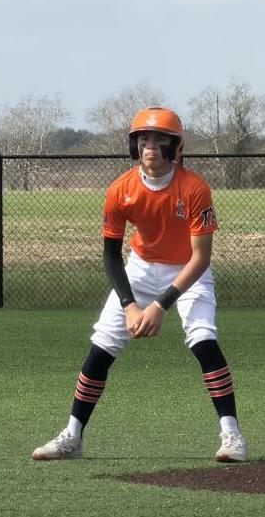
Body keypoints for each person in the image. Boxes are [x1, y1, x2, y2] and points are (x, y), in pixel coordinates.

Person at [32, 106, 247, 463]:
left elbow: (200, 258)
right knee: (102, 345)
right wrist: (130, 305)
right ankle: (72, 435)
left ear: (176, 146)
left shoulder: (194, 187)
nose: (150, 146)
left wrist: (160, 305)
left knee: (204, 340)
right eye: (143, 139)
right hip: (141, 268)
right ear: (134, 146)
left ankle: (232, 435)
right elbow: (111, 256)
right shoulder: (120, 189)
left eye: (160, 139)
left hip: (187, 270)